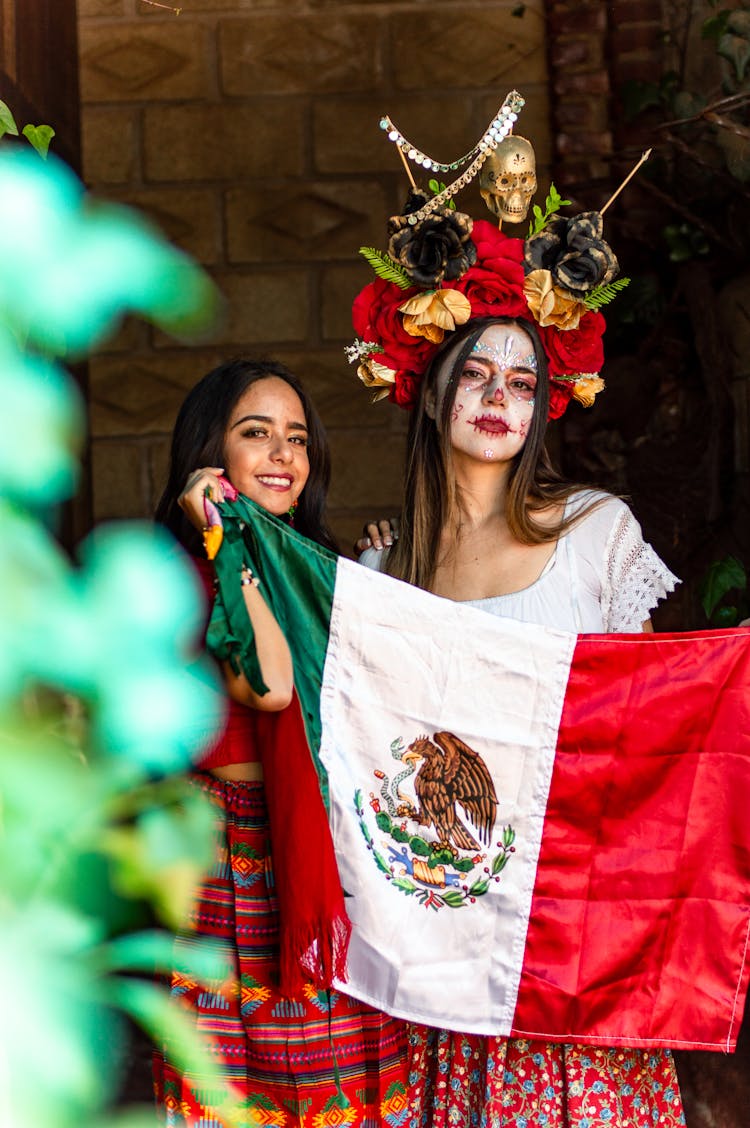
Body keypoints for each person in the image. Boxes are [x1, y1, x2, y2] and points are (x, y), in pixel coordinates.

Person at [345, 98, 685, 1126]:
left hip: (577, 939)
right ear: (434, 387)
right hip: (448, 948)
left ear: (546, 405)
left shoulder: (596, 532)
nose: (499, 397)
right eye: (477, 374)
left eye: (524, 382)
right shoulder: (392, 567)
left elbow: (654, 728)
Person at [153, 358, 407, 1126]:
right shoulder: (187, 564)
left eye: (296, 439)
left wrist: (366, 579)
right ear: (210, 453)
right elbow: (267, 684)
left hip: (316, 842)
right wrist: (225, 541)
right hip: (228, 855)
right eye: (255, 434)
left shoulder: (299, 562)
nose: (282, 456)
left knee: (335, 1064)